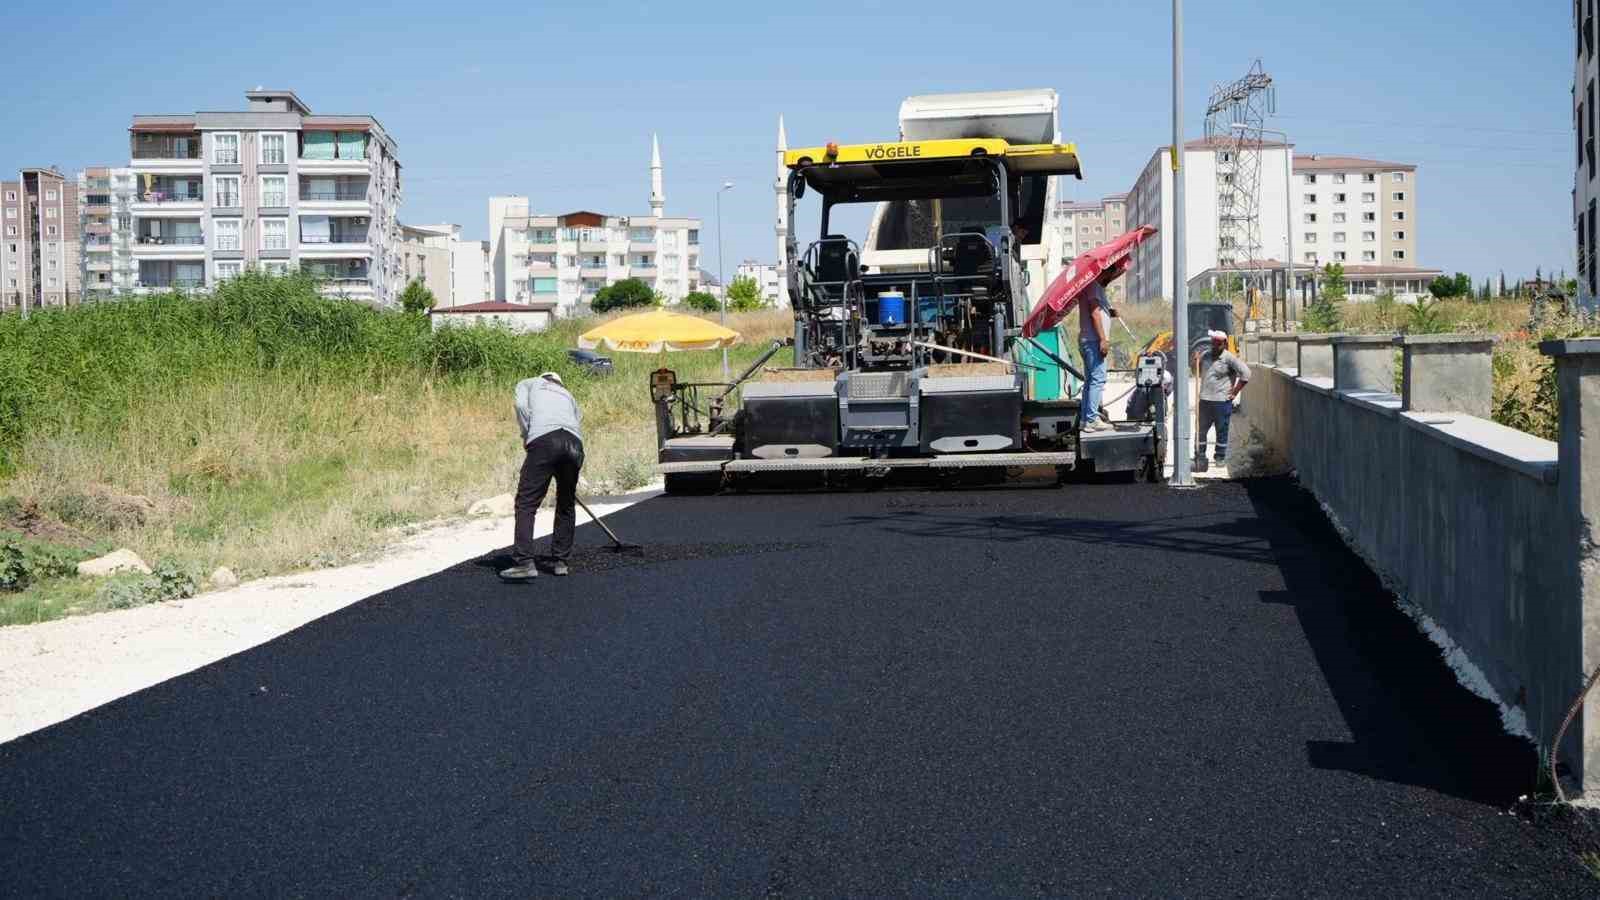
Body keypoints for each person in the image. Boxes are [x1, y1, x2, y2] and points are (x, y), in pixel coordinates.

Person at [500, 372, 585, 581]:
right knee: (566, 502)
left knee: (526, 502)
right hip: (574, 443)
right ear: (559, 382)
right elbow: (578, 417)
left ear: (543, 377)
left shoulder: (528, 383)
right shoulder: (567, 393)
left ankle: (524, 562)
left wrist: (527, 435)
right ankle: (561, 561)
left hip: (545, 440)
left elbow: (520, 406)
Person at [1195, 330, 1250, 464]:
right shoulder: (1205, 355)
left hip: (1221, 401)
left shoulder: (1229, 358)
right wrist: (1195, 362)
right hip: (1205, 400)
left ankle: (1219, 457)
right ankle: (1200, 455)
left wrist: (1235, 392)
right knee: (1201, 430)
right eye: (1213, 342)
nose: (1215, 345)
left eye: (1218, 343)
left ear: (1224, 344)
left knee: (1221, 430)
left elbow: (1246, 374)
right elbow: (1195, 371)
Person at [1077, 276, 1114, 433]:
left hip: (1088, 339)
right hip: (1093, 341)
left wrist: (1110, 312)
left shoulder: (1089, 285)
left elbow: (1096, 311)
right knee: (1098, 379)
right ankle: (1091, 419)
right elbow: (1094, 313)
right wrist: (1103, 339)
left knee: (1091, 381)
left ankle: (1086, 419)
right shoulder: (1093, 285)